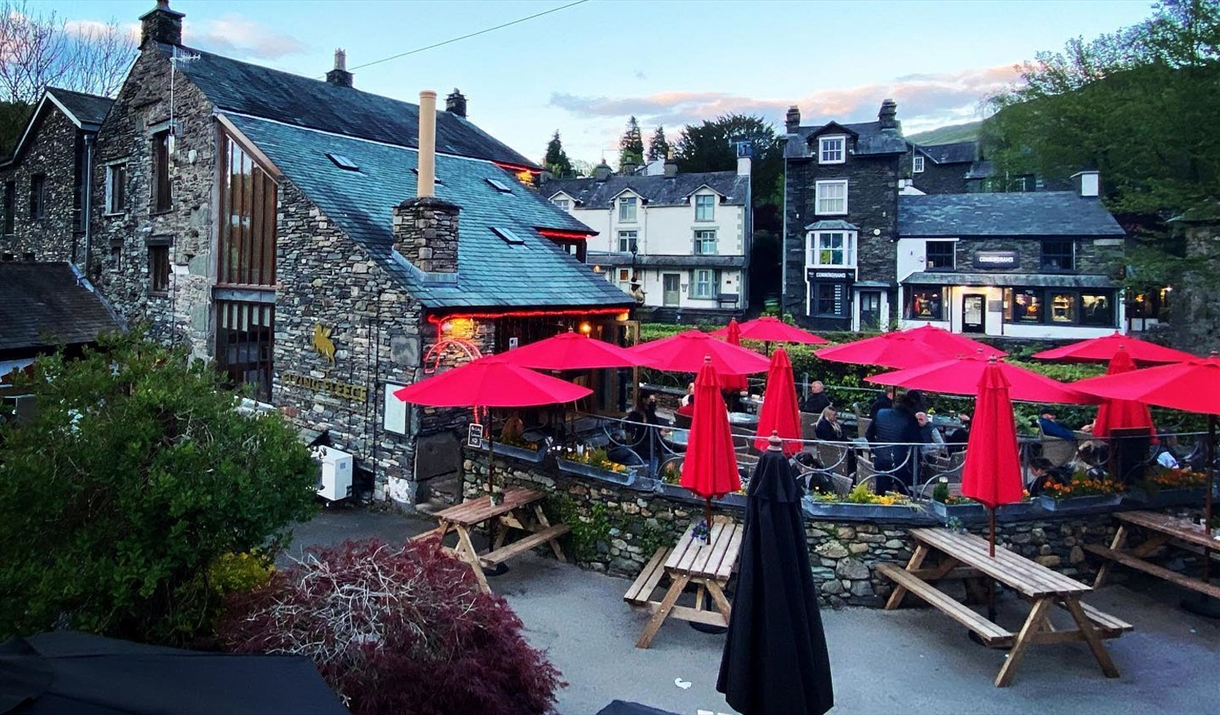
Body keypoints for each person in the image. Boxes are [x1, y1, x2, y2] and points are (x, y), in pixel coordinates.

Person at [866, 391, 924, 495]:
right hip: (901, 462)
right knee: (905, 491)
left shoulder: (881, 413)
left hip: (881, 459)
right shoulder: (909, 419)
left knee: (881, 492)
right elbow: (918, 442)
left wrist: (875, 449)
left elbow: (869, 434)